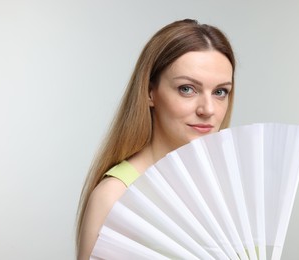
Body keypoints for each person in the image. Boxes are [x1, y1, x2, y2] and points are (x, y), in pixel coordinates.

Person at [75, 18, 236, 259]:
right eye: (187, 89)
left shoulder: (224, 189)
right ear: (150, 92)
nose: (208, 109)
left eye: (220, 92)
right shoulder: (115, 196)